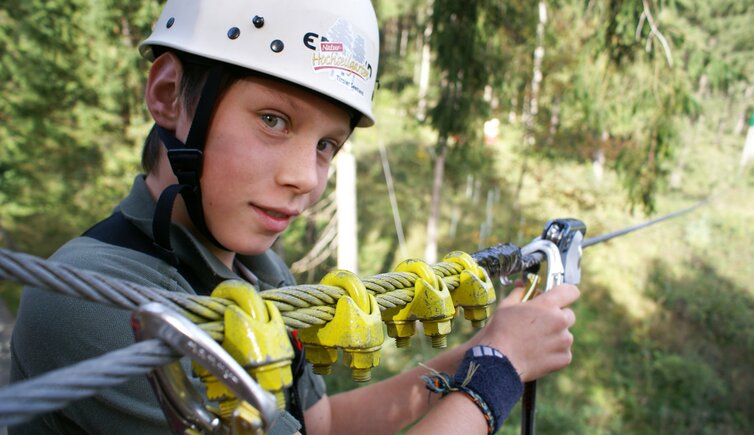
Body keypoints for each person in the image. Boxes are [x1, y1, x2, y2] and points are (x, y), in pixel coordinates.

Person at [9, 0, 580, 434]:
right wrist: (498, 377)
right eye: (274, 120)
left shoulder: (259, 272)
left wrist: (482, 350)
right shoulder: (93, 300)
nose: (306, 178)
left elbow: (321, 422)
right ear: (168, 93)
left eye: (327, 145)